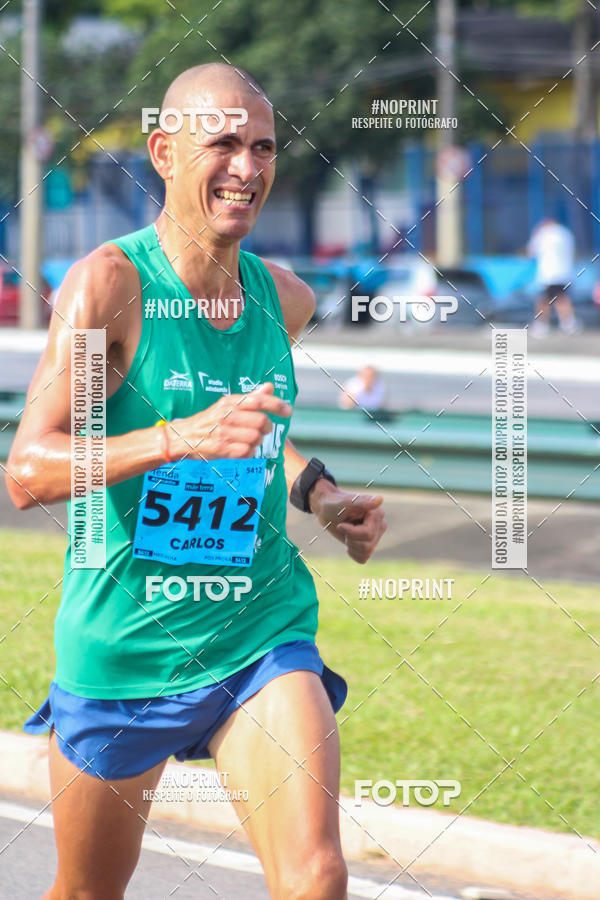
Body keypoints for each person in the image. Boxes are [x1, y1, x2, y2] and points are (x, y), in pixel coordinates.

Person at [5, 64, 387, 899]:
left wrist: (320, 495)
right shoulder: (110, 286)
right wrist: (177, 438)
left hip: (257, 630)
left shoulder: (285, 299)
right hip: (126, 642)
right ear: (164, 153)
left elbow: (258, 432)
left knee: (317, 877)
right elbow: (29, 470)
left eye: (264, 148)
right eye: (223, 144)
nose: (246, 168)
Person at [527, 217, 580, 336]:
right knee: (560, 298)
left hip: (549, 274)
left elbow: (531, 251)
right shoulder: (566, 233)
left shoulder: (543, 234)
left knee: (546, 300)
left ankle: (543, 324)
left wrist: (535, 233)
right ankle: (568, 323)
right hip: (564, 273)